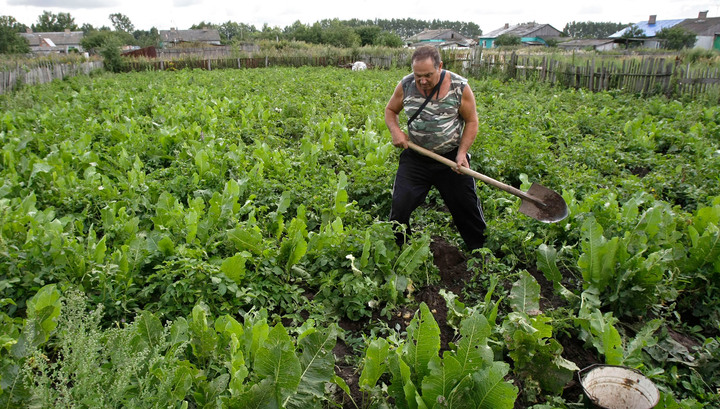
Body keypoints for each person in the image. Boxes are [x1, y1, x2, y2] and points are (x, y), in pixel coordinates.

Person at [384, 45, 486, 252]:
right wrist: (396, 131)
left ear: (440, 66)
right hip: (416, 158)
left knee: (466, 207)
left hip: (450, 160)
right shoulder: (406, 85)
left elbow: (472, 121)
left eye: (428, 75)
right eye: (418, 75)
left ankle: (480, 250)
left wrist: (461, 153)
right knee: (400, 204)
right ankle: (400, 248)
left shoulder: (459, 86)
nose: (422, 80)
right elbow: (390, 110)